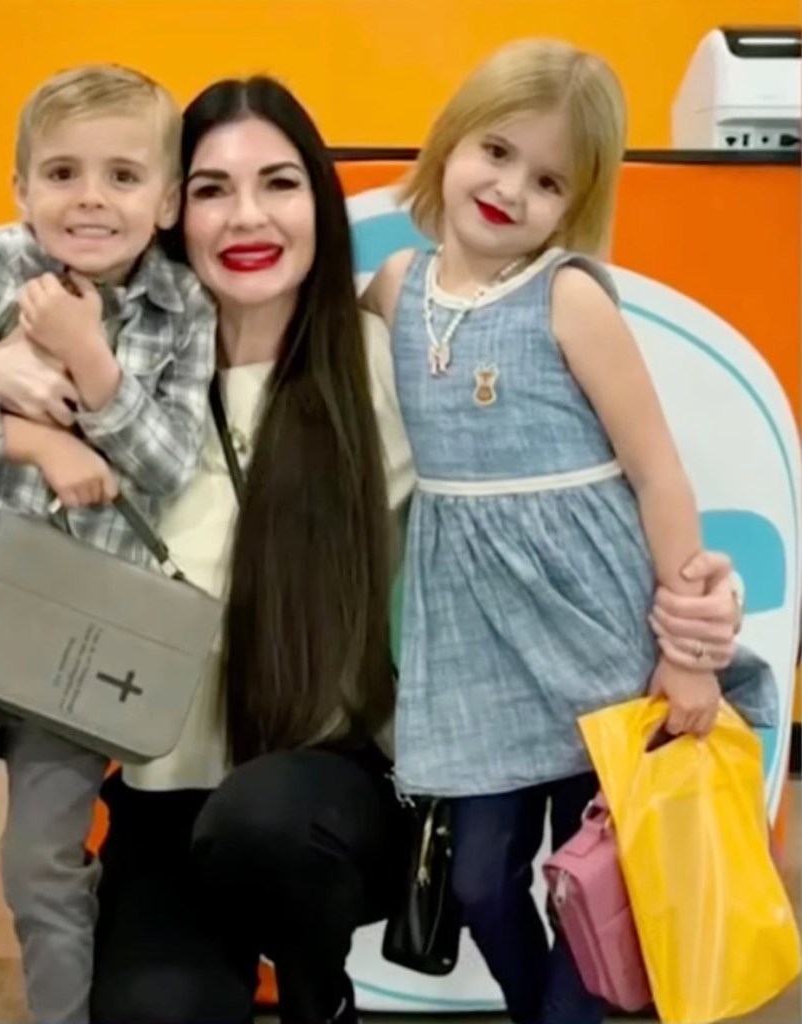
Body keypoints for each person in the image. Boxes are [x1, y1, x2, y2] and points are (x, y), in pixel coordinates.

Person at [0, 75, 746, 1024]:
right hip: (166, 792)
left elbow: (559, 482)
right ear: (171, 209)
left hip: (329, 789)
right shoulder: (99, 360)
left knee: (266, 825)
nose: (246, 216)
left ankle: (316, 992)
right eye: (212, 188)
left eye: (280, 183)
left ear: (319, 203)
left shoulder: (385, 355)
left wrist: (694, 601)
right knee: (154, 1010)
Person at [362, 39, 777, 1024]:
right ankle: (535, 1001)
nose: (510, 188)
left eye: (547, 179)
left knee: (607, 871)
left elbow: (656, 472)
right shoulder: (391, 287)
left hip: (589, 622)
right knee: (477, 884)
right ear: (449, 143)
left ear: (577, 199)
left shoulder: (569, 296)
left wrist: (684, 654)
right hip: (468, 638)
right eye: (495, 151)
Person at [0, 65, 216, 1024]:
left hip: (87, 623)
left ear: (167, 200)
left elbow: (167, 460)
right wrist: (32, 437)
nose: (90, 198)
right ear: (22, 188)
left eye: (122, 177)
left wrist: (88, 360)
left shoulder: (185, 308)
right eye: (61, 173)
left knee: (46, 865)